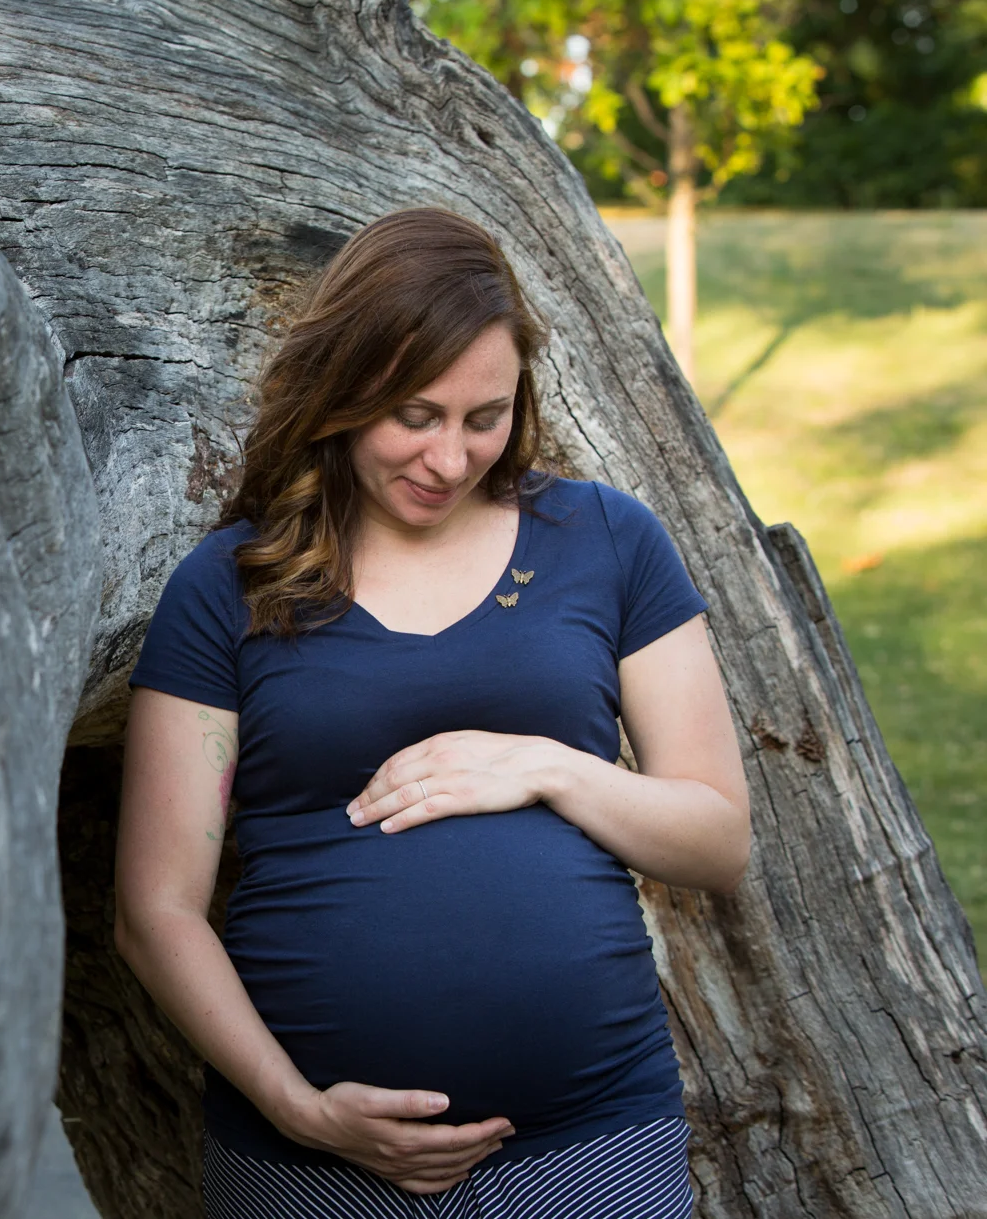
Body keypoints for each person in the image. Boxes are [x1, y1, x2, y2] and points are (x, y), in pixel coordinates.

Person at [113, 207, 750, 1218]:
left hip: (591, 1146)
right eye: (414, 413)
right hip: (309, 1166)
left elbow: (718, 840)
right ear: (342, 389)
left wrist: (551, 766)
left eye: (482, 417)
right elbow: (156, 907)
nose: (449, 458)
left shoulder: (608, 541)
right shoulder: (230, 584)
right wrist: (296, 1107)